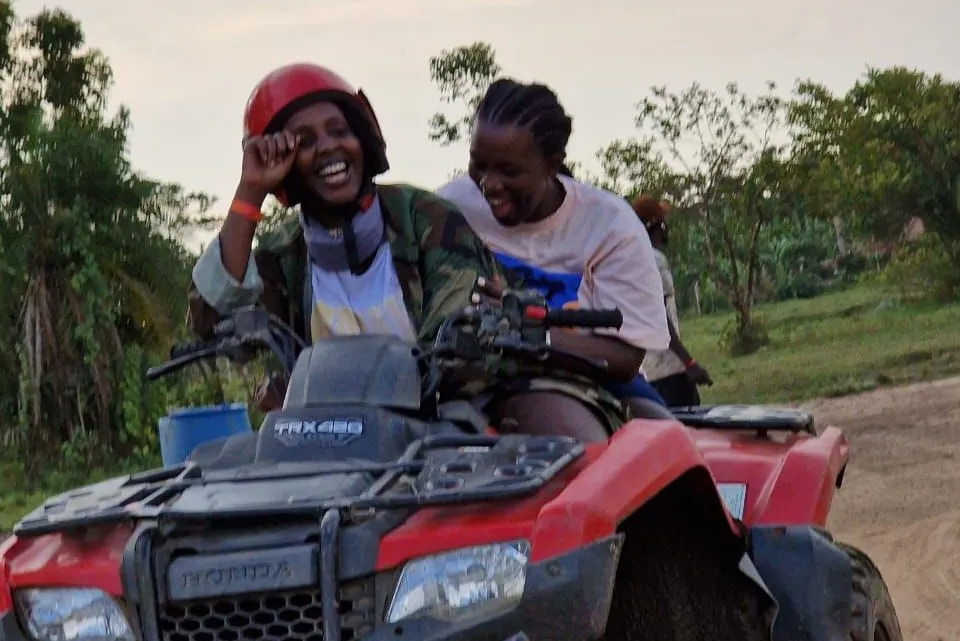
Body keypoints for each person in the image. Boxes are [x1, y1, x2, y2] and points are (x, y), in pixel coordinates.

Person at [186, 62, 502, 411]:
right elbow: (210, 326)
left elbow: (462, 341)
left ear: (364, 139)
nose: (327, 147)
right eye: (304, 141)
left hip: (443, 434)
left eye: (339, 131)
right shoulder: (280, 256)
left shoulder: (431, 220)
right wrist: (250, 191)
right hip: (324, 448)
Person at [436, 78, 674, 437]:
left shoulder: (608, 225)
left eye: (509, 171)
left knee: (666, 450)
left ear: (551, 165)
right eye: (478, 165)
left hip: (594, 379)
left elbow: (624, 359)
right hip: (475, 381)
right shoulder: (450, 210)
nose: (489, 185)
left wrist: (525, 334)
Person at [631, 196, 713, 407]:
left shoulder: (629, 260)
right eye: (664, 221)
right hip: (670, 370)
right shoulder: (654, 259)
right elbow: (659, 316)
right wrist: (689, 362)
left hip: (645, 370)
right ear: (657, 224)